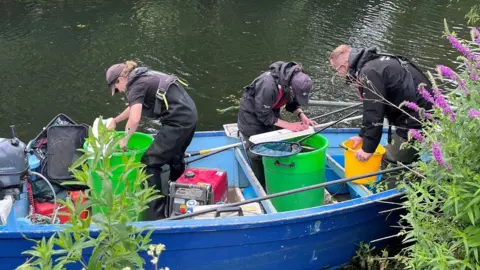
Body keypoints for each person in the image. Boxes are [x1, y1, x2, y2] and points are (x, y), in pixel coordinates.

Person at [105, 60, 198, 220]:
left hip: (177, 122)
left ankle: (156, 215)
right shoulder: (142, 77)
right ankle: (179, 195)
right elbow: (135, 105)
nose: (119, 92)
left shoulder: (135, 86)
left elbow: (134, 119)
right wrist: (116, 119)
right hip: (189, 116)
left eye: (117, 89)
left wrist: (125, 140)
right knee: (174, 156)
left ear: (120, 80)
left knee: (149, 162)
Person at [329, 45, 433, 185]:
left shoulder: (367, 73)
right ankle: (413, 181)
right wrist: (362, 136)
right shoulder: (373, 64)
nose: (338, 75)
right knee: (406, 158)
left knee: (391, 159)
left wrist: (367, 149)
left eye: (336, 70)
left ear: (344, 66)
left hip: (418, 120)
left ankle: (387, 196)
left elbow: (374, 113)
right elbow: (370, 108)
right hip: (421, 113)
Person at [237, 61, 317, 188]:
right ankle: (262, 186)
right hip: (251, 117)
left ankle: (276, 176)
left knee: (276, 144)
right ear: (291, 88)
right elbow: (263, 114)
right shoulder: (268, 85)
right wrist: (290, 126)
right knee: (256, 152)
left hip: (272, 112)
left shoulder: (294, 81)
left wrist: (302, 115)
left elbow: (292, 102)